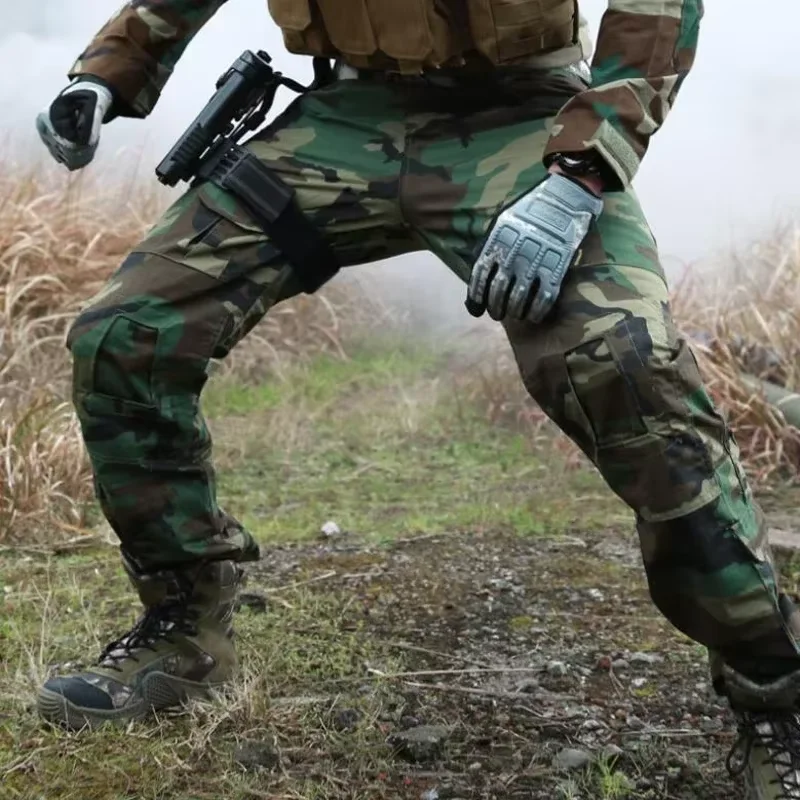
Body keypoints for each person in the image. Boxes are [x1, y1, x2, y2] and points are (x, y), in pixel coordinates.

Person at [33, 1, 800, 795]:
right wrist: (108, 74)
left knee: (624, 364)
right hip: (344, 118)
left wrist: (583, 173)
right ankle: (184, 635)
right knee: (125, 337)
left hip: (524, 119)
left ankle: (776, 693)